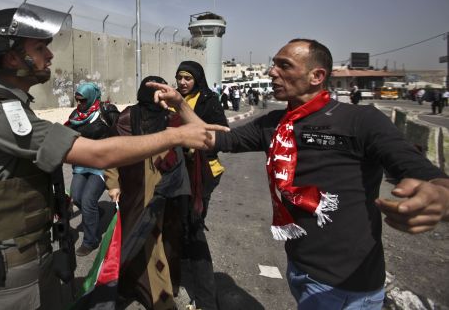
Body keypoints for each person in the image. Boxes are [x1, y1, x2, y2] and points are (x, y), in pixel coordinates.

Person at [0, 3, 227, 310]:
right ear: (12, 56)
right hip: (11, 272)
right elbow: (97, 154)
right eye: (40, 47)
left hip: (28, 258)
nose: (50, 55)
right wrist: (176, 135)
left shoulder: (12, 108)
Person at [148, 38, 449, 310]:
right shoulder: (272, 124)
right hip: (299, 268)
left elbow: (422, 171)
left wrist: (437, 195)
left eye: (284, 66)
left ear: (316, 76)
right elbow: (213, 138)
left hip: (348, 285)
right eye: (273, 65)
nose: (271, 72)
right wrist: (179, 105)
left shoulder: (360, 121)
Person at [105, 76, 191, 310]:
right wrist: (112, 183)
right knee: (144, 236)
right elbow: (111, 152)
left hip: (168, 188)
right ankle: (159, 298)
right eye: (151, 90)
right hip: (137, 188)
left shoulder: (171, 117)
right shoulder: (127, 117)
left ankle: (146, 286)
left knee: (164, 237)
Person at [175, 61, 228, 310]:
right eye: (180, 78)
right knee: (183, 218)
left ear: (197, 79)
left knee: (195, 220)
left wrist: (193, 139)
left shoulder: (208, 100)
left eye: (187, 78)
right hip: (180, 171)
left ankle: (205, 298)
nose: (183, 83)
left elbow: (221, 133)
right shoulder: (175, 99)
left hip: (204, 170)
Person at [64, 82, 119, 257]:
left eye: (83, 100)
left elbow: (119, 135)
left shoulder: (106, 112)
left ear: (93, 97)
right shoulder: (76, 115)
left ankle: (91, 240)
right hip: (81, 165)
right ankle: (96, 212)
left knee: (88, 200)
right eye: (77, 100)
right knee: (77, 197)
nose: (79, 104)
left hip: (102, 165)